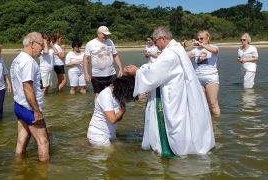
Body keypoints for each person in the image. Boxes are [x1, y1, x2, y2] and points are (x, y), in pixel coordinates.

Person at [124, 26, 215, 157]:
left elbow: (155, 73)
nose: (155, 46)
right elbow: (157, 67)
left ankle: (172, 148)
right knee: (181, 120)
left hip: (172, 94)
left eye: (156, 42)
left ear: (162, 39)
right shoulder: (175, 48)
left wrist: (137, 72)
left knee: (173, 122)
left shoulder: (170, 53)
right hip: (177, 90)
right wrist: (141, 69)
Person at [10, 32, 50, 162]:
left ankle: (19, 167)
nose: (43, 48)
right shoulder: (29, 62)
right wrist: (37, 111)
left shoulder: (17, 59)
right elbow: (27, 87)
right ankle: (44, 172)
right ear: (32, 44)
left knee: (21, 141)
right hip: (29, 109)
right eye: (41, 44)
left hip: (19, 106)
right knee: (43, 142)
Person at [87, 75, 135, 146]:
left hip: (110, 133)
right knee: (111, 154)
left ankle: (86, 145)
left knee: (119, 152)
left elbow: (118, 118)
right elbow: (112, 120)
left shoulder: (117, 94)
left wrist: (122, 112)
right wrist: (122, 111)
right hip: (98, 134)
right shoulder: (106, 95)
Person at [186, 30, 221, 116]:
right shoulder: (195, 50)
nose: (199, 40)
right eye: (198, 38)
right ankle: (207, 123)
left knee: (213, 104)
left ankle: (216, 124)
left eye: (201, 38)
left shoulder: (213, 47)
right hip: (198, 79)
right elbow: (183, 55)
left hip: (211, 79)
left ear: (207, 38)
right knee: (202, 105)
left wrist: (202, 45)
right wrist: (182, 46)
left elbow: (215, 51)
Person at [83, 26, 123, 96]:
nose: (106, 36)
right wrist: (86, 73)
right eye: (104, 35)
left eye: (107, 35)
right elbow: (85, 59)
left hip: (111, 74)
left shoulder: (110, 42)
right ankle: (97, 107)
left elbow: (115, 55)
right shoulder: (90, 44)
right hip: (97, 75)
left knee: (114, 93)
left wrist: (120, 68)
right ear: (98, 33)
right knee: (98, 95)